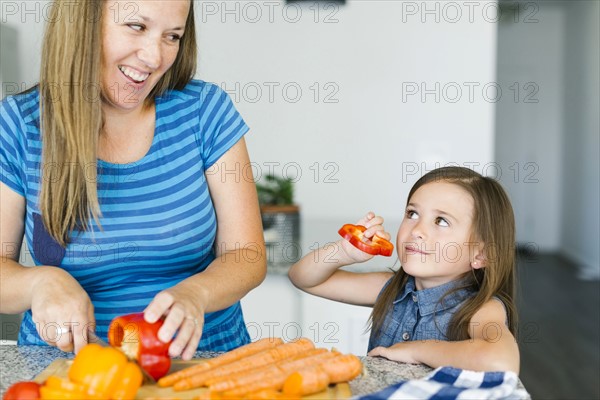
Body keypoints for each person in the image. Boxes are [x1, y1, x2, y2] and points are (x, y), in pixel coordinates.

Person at [0, 0, 266, 360]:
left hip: (206, 362)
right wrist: (40, 282)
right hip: (76, 368)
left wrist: (196, 294)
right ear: (84, 23)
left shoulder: (205, 110)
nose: (155, 57)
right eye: (137, 27)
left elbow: (246, 255)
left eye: (172, 36)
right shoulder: (19, 125)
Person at [288, 166, 520, 373]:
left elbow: (501, 360)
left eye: (441, 221)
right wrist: (345, 252)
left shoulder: (480, 308)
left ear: (481, 254)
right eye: (412, 214)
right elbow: (303, 278)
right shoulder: (390, 288)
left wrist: (418, 350)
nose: (417, 229)